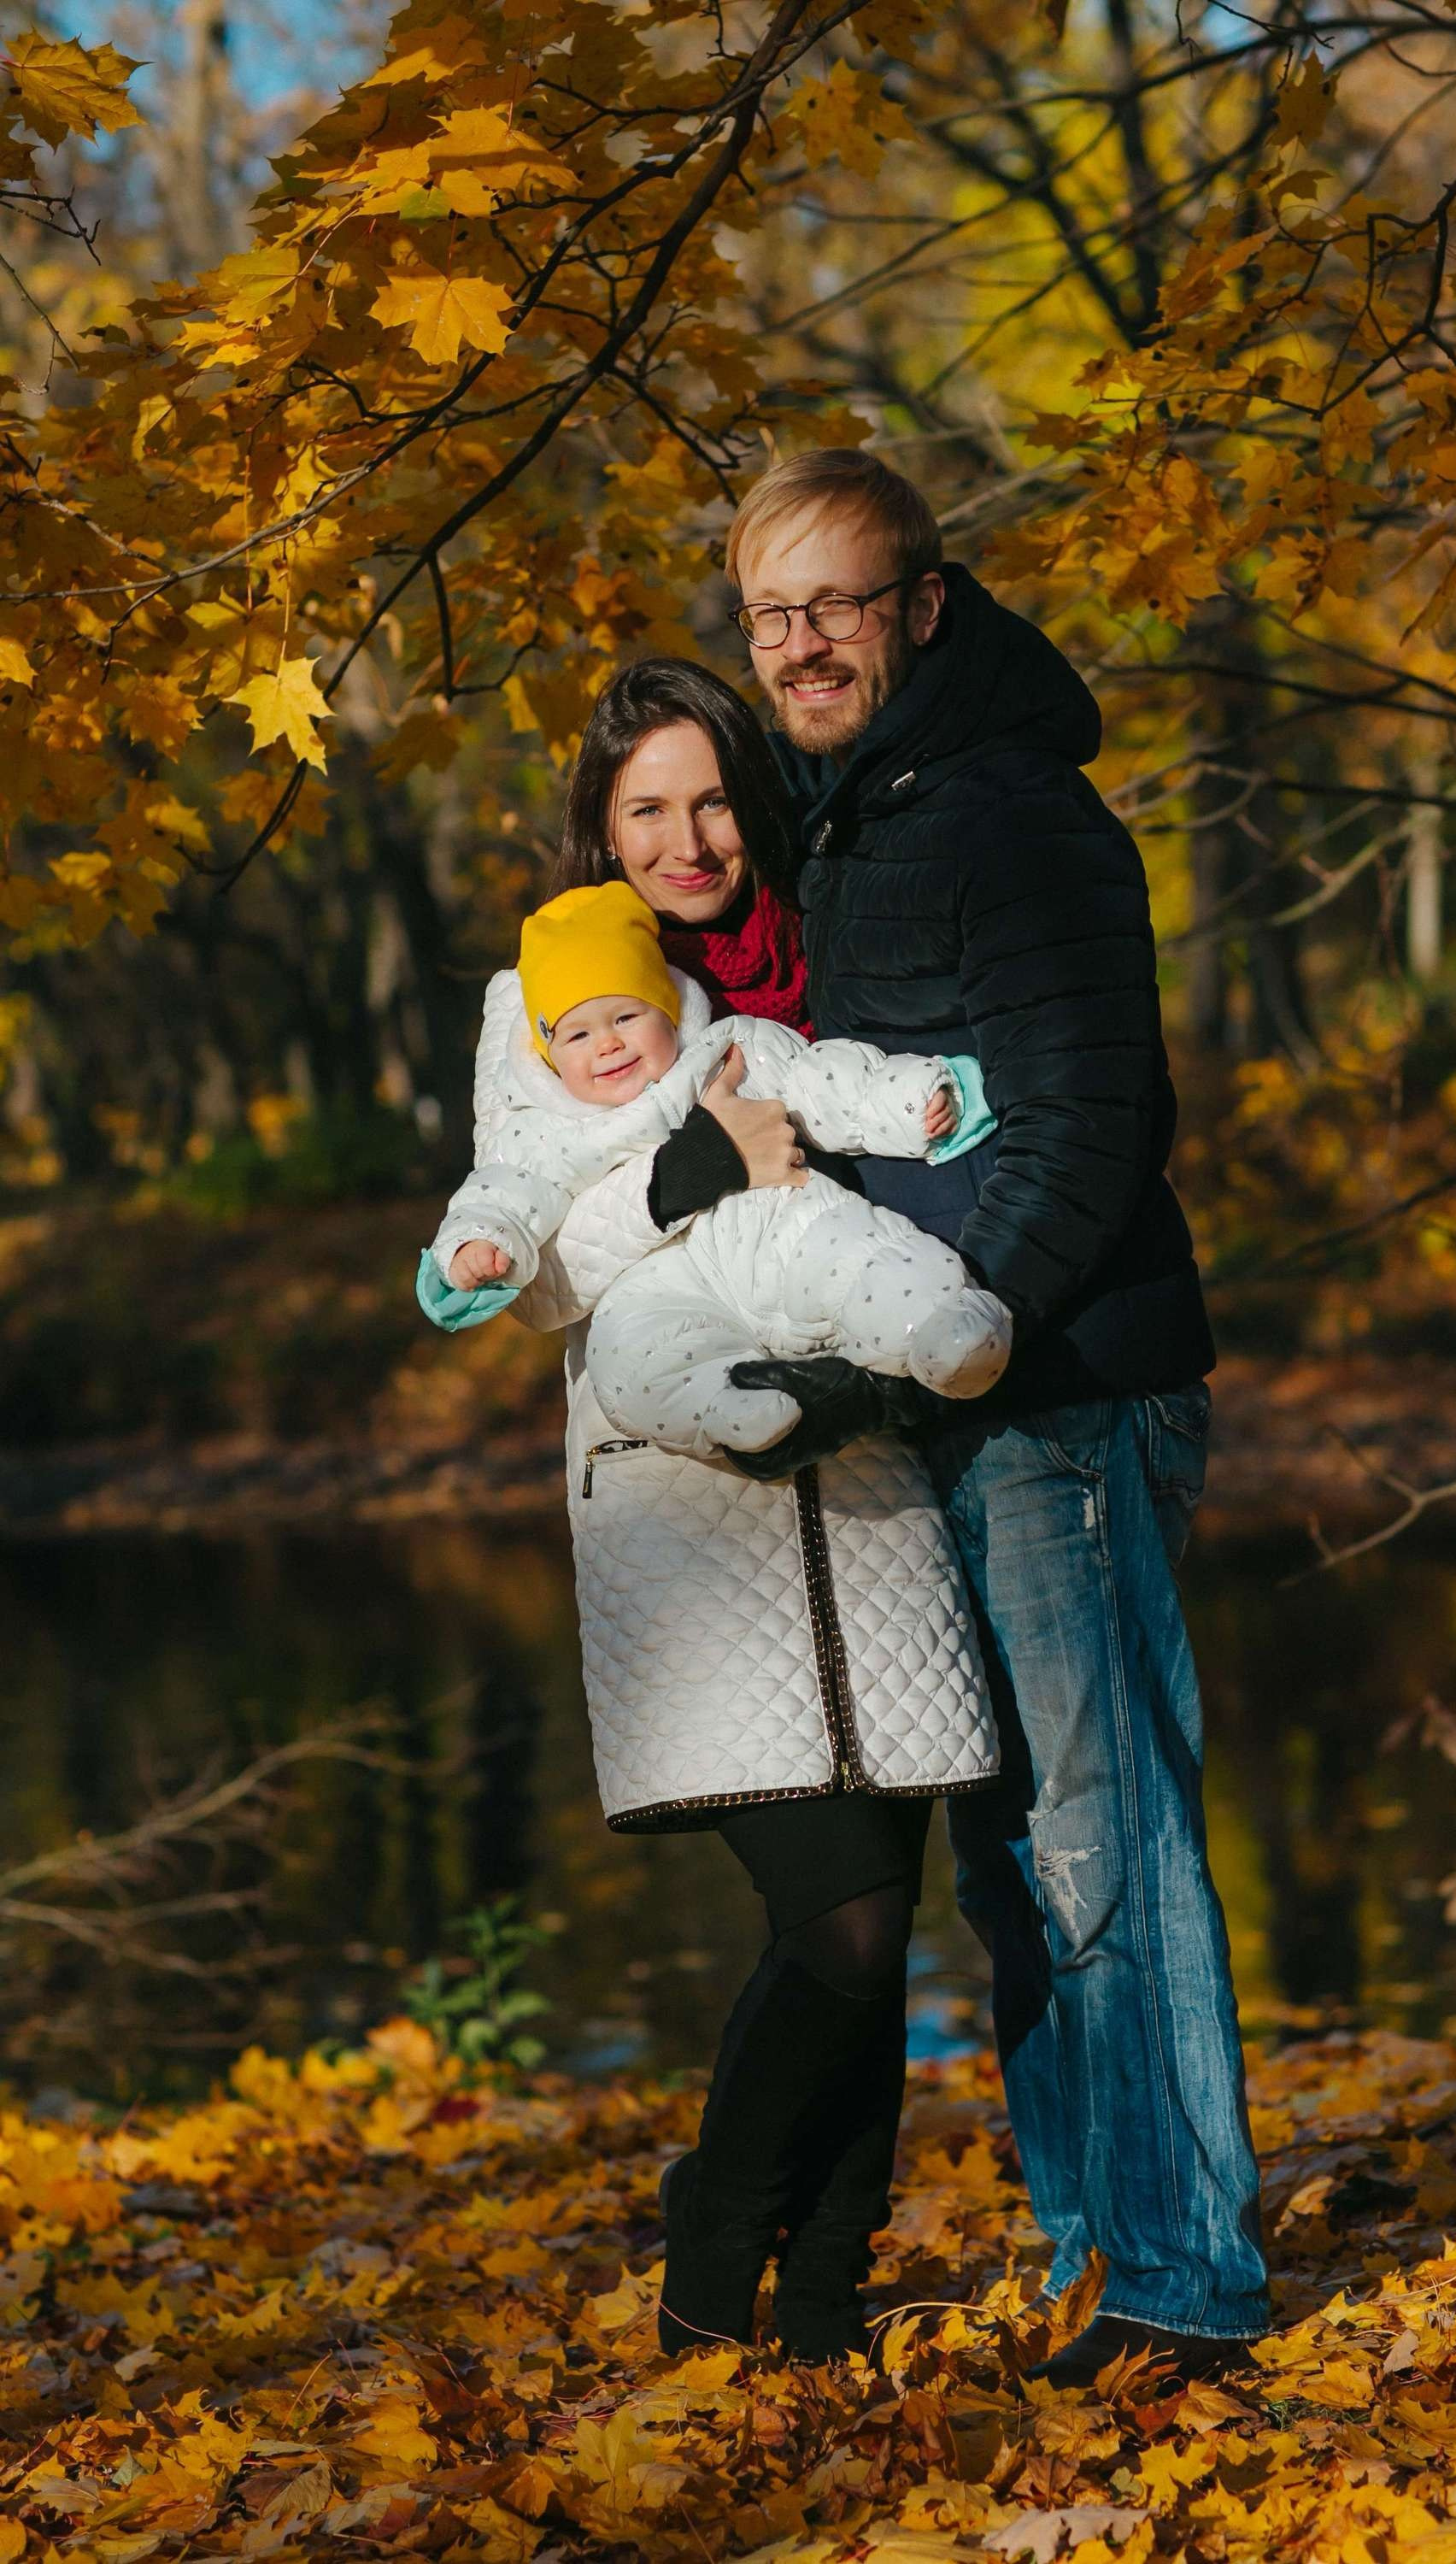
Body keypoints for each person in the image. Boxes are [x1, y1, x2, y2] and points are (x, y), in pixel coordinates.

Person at [721, 448, 1271, 2385]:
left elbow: (1090, 1132)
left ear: (921, 607)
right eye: (771, 612)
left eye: (836, 603)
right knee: (1009, 1867)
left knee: (1098, 1844)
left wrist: (947, 1339)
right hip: (942, 1399)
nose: (800, 642)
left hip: (1059, 1396)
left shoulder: (1014, 817)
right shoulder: (859, 819)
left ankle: (1182, 2282)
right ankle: (1092, 2247)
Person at [424, 659, 1000, 2363]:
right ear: (601, 828)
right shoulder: (546, 998)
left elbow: (881, 1155)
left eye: (708, 797)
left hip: (868, 1474)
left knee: (880, 1927)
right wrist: (688, 1181)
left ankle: (820, 2295)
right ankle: (710, 2241)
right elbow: (533, 1274)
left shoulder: (814, 966)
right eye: (644, 808)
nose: (686, 837)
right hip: (691, 1498)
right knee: (828, 1921)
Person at [420, 878, 1010, 1454]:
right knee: (632, 1358)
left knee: (856, 1253)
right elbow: (503, 1193)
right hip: (655, 1283)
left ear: (669, 1009)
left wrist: (908, 1099)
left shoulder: (724, 1052)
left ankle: (944, 1329)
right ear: (549, 1051)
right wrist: (478, 1243)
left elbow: (824, 1083)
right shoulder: (544, 1129)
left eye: (626, 1017)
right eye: (577, 1034)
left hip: (777, 1224)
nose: (607, 1045)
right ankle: (730, 1409)